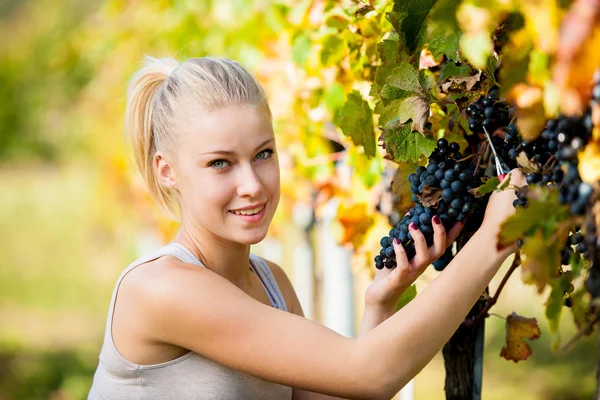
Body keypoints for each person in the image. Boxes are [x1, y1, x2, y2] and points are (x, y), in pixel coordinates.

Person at [88, 55, 526, 400]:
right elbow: (370, 374)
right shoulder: (161, 289)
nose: (252, 184)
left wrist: (378, 304)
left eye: (263, 154)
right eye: (220, 163)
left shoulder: (270, 282)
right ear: (167, 172)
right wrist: (493, 239)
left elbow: (349, 389)